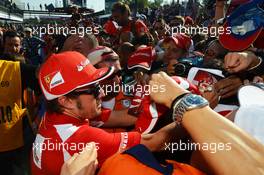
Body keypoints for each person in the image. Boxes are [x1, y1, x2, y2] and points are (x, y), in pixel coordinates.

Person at [31, 51, 190, 175]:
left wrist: (146, 93)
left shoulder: (55, 116)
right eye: (93, 89)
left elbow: (126, 118)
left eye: (98, 84)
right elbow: (156, 142)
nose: (101, 92)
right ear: (66, 101)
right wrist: (191, 111)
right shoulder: (82, 137)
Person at [99, 72, 264, 175]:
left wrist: (184, 103)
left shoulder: (122, 167)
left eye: (230, 121)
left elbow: (155, 141)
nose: (225, 118)